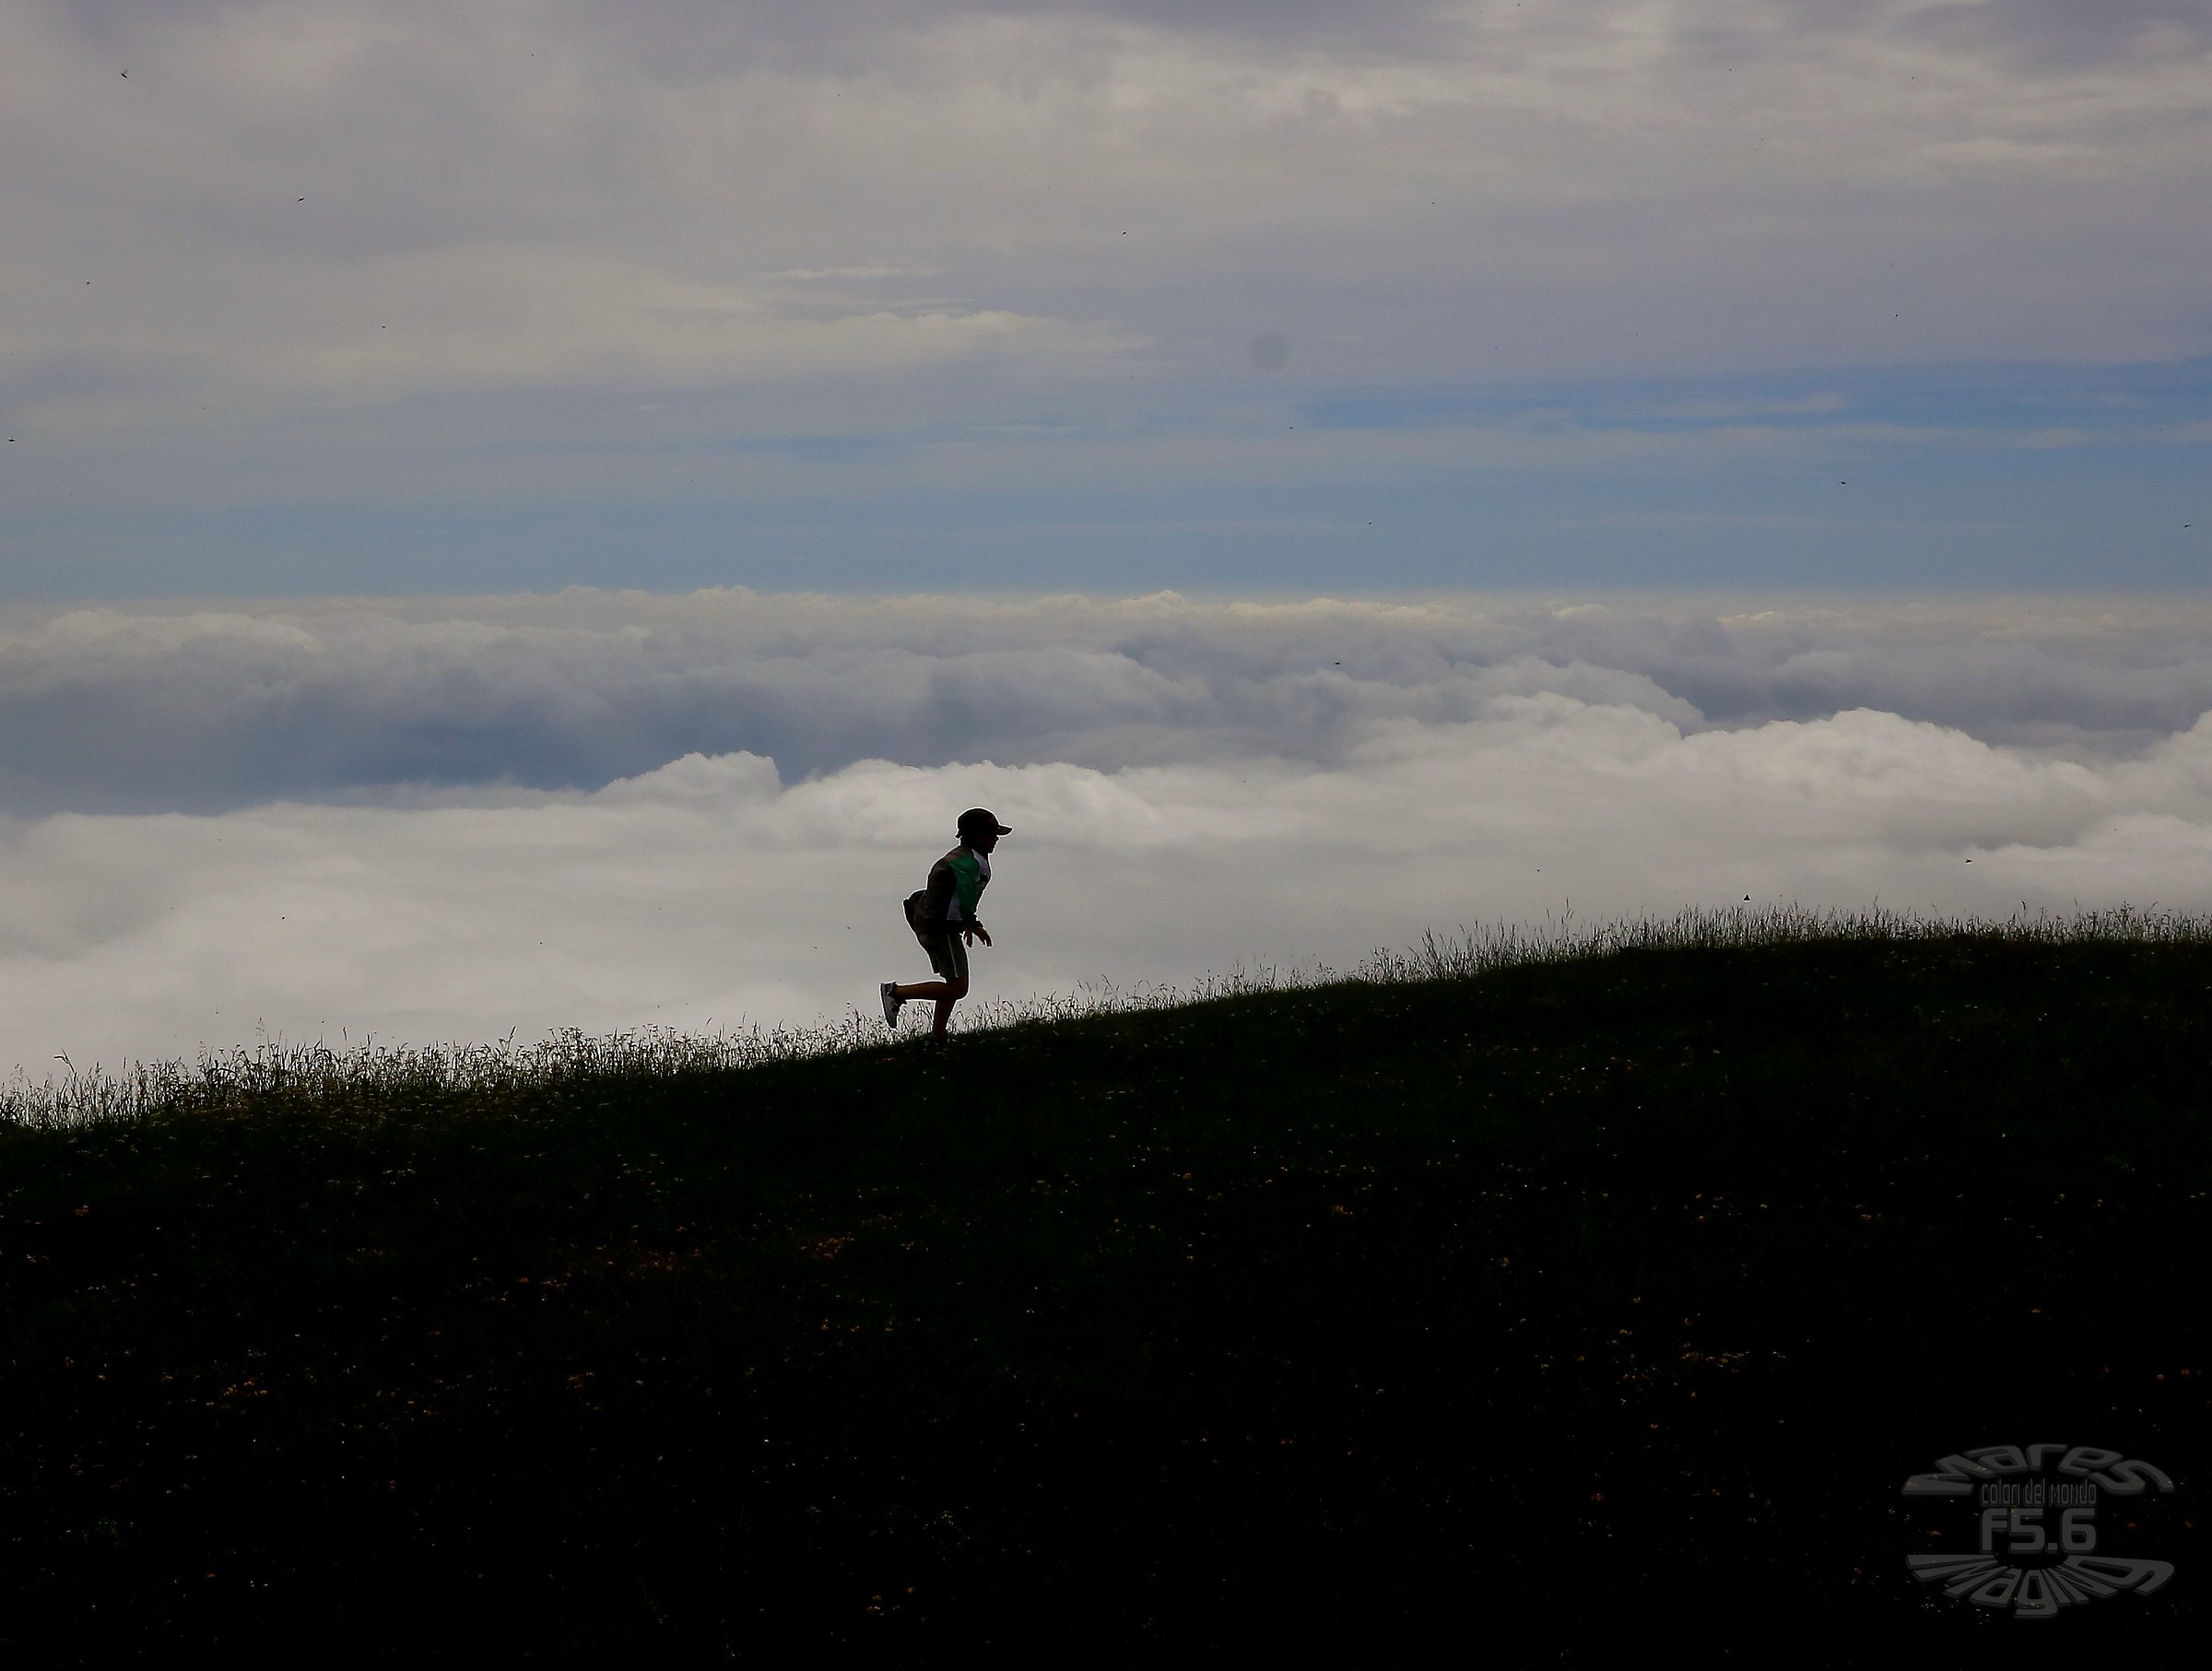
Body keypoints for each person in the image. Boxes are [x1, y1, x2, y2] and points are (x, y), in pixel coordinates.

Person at [882, 808, 1011, 1039]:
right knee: (958, 988)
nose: (996, 839)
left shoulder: (968, 857)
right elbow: (966, 892)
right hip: (940, 928)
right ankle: (895, 993)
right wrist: (972, 922)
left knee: (952, 982)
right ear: (976, 836)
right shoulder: (969, 861)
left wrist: (970, 923)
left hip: (936, 924)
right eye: (991, 834)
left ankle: (938, 1035)